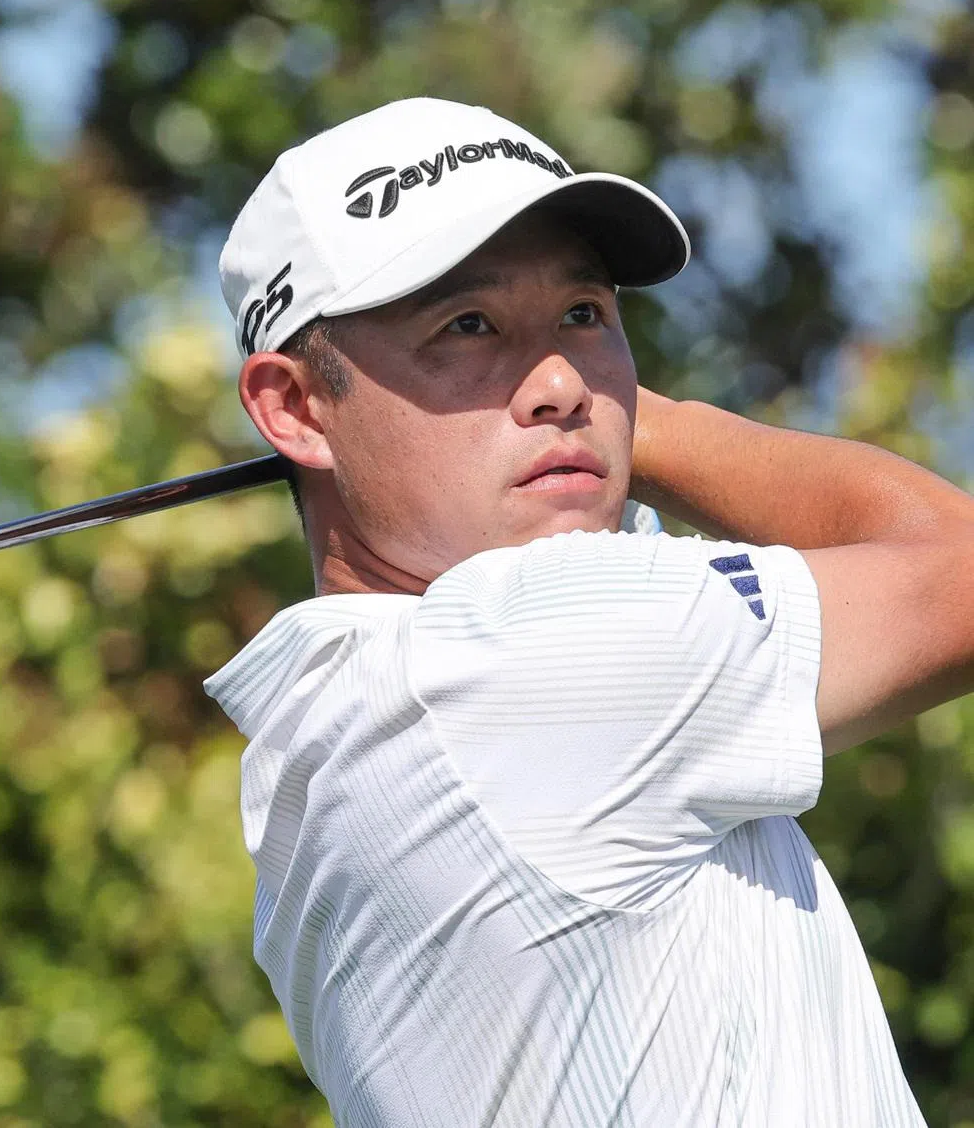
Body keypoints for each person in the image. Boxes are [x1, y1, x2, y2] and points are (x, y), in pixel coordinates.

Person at [204, 97, 973, 1126]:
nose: (561, 381)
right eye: (467, 327)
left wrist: (560, 421)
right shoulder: (515, 655)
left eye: (584, 315)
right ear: (297, 407)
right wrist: (642, 426)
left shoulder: (339, 719)